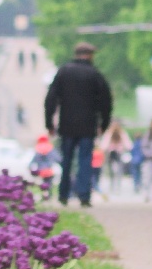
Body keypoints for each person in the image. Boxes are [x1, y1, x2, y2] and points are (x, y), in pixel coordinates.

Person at [43, 41, 113, 207]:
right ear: (89, 55)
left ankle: (63, 194)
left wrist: (49, 123)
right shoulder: (94, 74)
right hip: (88, 126)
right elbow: (106, 101)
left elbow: (51, 99)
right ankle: (84, 195)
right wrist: (104, 124)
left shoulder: (63, 72)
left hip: (66, 125)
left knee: (66, 161)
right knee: (85, 161)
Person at [100, 119, 132, 194]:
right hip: (111, 154)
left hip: (119, 154)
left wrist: (123, 147)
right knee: (111, 171)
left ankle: (117, 186)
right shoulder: (109, 133)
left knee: (119, 170)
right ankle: (112, 185)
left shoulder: (122, 133)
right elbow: (104, 145)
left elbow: (128, 145)